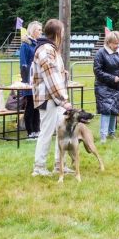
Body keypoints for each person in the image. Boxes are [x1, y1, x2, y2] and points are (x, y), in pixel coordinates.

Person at [31, 19, 73, 176]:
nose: (63, 34)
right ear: (57, 33)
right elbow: (51, 77)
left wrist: (63, 74)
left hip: (53, 98)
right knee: (46, 133)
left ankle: (59, 165)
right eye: (62, 31)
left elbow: (54, 74)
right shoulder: (46, 50)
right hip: (48, 99)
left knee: (61, 132)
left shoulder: (51, 49)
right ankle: (39, 167)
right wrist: (64, 100)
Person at [94, 30, 119, 143]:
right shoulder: (100, 53)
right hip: (104, 86)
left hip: (118, 87)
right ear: (108, 42)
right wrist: (112, 78)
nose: (117, 45)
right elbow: (97, 70)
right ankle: (103, 136)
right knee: (106, 110)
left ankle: (112, 133)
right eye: (115, 43)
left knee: (115, 110)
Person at [19, 21, 42, 140]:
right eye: (38, 29)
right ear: (32, 30)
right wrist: (25, 80)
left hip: (38, 77)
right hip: (29, 78)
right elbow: (23, 63)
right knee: (31, 105)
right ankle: (30, 131)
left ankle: (37, 129)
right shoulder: (25, 45)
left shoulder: (38, 44)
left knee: (37, 105)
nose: (40, 32)